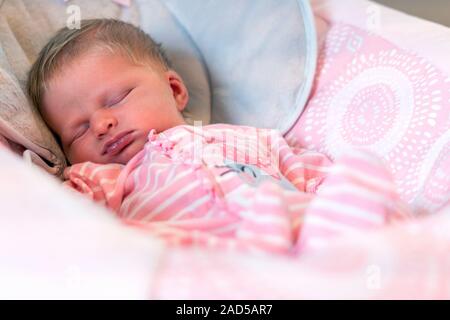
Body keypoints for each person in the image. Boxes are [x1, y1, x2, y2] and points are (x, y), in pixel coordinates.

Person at [26, 19, 404, 254]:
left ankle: (366, 244)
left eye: (117, 98)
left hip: (295, 233)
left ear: (174, 90)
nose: (102, 124)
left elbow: (308, 173)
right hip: (191, 258)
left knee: (356, 181)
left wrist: (333, 193)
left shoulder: (253, 138)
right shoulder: (102, 178)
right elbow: (67, 227)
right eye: (77, 130)